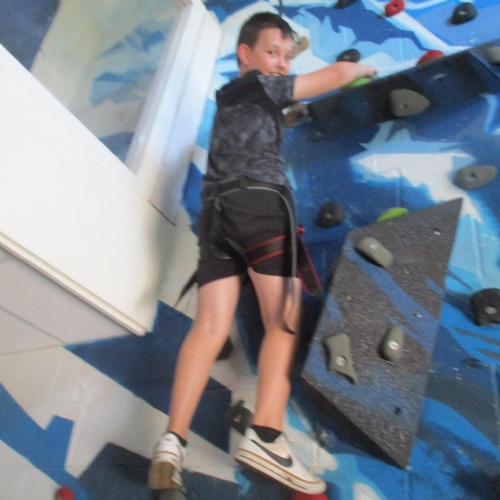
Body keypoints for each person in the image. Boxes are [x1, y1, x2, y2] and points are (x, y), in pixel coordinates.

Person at [148, 11, 377, 495]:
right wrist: (363, 69)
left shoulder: (229, 98)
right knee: (283, 321)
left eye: (286, 56)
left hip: (216, 216)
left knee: (208, 328)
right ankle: (268, 436)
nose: (280, 64)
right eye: (273, 53)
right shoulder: (262, 86)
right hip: (260, 205)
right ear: (245, 54)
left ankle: (171, 442)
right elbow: (333, 76)